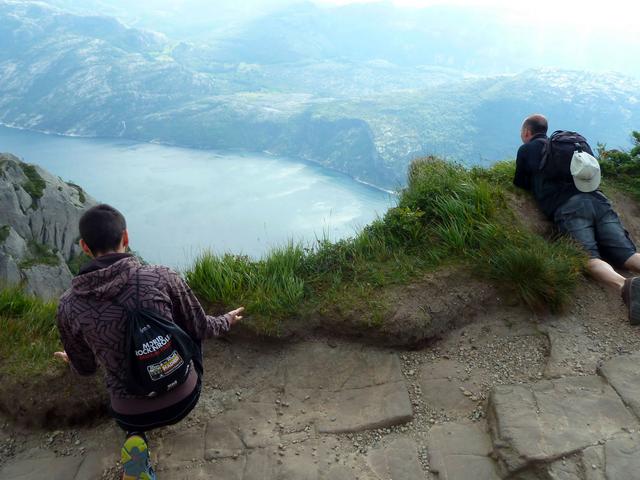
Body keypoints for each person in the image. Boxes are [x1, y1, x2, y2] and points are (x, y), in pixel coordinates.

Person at [54, 204, 244, 480]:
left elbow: (85, 369)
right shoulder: (160, 276)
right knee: (186, 331)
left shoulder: (69, 305)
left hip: (130, 413)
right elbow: (201, 327)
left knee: (115, 365)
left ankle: (137, 450)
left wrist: (71, 360)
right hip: (184, 397)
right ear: (126, 237)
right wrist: (227, 319)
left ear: (84, 246)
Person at [513, 114, 640, 323]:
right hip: (598, 200)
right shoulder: (567, 147)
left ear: (527, 132)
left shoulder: (527, 149)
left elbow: (519, 183)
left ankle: (625, 285)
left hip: (569, 207)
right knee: (626, 254)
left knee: (588, 257)